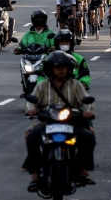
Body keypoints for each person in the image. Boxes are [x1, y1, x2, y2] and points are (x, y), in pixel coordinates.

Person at [23, 51, 96, 191]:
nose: (61, 70)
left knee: (89, 137)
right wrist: (31, 110)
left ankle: (80, 169)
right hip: (47, 123)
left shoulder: (76, 85)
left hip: (71, 123)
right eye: (57, 67)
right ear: (51, 69)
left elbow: (86, 100)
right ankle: (35, 175)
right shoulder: (42, 85)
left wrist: (88, 112)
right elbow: (31, 101)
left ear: (69, 69)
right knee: (31, 136)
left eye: (64, 67)